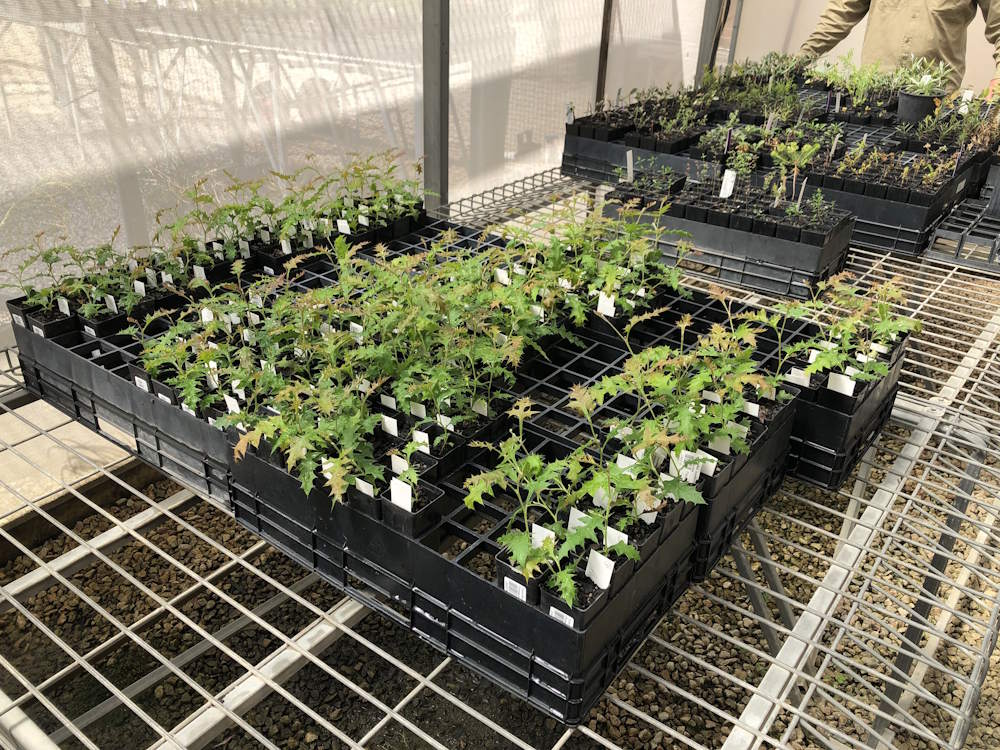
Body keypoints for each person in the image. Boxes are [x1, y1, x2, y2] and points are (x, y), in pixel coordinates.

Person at [798, 0, 1000, 95]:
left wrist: (998, 82)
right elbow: (842, 11)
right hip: (873, 95)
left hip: (934, 101)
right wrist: (801, 58)